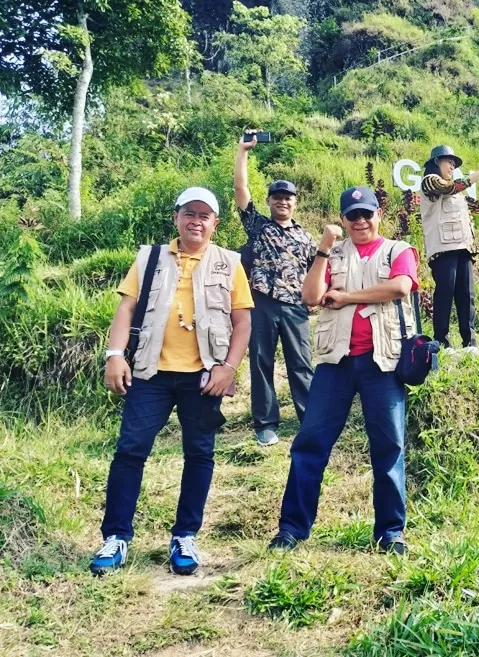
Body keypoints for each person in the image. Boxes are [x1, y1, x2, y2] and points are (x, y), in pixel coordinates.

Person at [91, 187, 254, 576]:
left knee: (199, 454)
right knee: (130, 451)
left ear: (215, 223)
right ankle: (116, 537)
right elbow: (126, 308)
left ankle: (185, 536)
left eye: (204, 215)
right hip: (150, 374)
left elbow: (243, 322)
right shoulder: (149, 258)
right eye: (189, 214)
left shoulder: (229, 263)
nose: (196, 221)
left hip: (204, 377)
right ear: (176, 218)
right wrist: (115, 356)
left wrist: (229, 368)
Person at [268, 186, 419, 555]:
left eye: (367, 213)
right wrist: (323, 247)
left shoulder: (398, 250)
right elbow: (309, 296)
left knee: (389, 447)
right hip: (335, 361)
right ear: (343, 220)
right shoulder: (332, 254)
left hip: (383, 362)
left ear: (379, 215)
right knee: (310, 444)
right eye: (353, 216)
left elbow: (400, 287)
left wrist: (346, 297)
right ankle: (291, 529)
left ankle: (391, 533)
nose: (361, 221)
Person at [235, 132, 317, 446]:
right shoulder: (258, 227)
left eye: (288, 197)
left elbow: (318, 270)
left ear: (295, 203)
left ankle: (310, 420)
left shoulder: (306, 237)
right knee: (261, 362)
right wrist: (243, 152)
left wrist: (320, 298)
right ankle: (266, 423)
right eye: (277, 197)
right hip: (263, 302)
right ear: (269, 201)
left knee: (301, 364)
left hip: (296, 307)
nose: (282, 201)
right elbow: (240, 189)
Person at [420, 145, 479, 355]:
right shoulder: (429, 181)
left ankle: (469, 343)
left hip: (464, 248)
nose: (452, 167)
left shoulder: (459, 194)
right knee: (445, 294)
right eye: (449, 162)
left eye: (454, 164)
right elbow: (448, 188)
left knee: (467, 296)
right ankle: (442, 342)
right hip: (442, 249)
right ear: (437, 161)